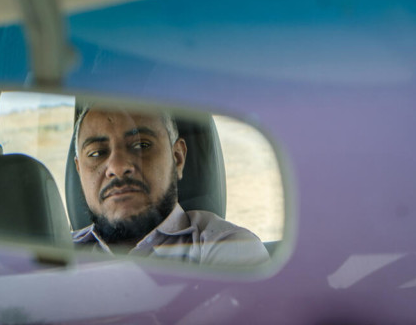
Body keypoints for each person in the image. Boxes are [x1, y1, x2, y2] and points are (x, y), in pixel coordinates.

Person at [71, 106, 270, 266]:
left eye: (141, 145)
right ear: (79, 171)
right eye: (96, 153)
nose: (118, 167)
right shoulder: (58, 251)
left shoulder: (229, 247)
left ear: (178, 158)